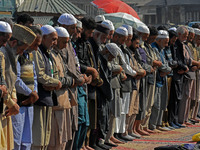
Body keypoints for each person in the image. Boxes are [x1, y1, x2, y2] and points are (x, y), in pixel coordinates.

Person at [1, 23, 36, 150]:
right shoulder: (2, 54)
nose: (22, 53)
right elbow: (2, 84)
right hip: (4, 106)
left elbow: (13, 81)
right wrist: (11, 103)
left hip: (8, 108)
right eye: (22, 50)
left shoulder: (13, 56)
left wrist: (14, 98)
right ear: (14, 43)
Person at [32, 25, 62, 150]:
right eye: (53, 39)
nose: (55, 43)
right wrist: (56, 83)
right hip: (39, 99)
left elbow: (54, 73)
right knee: (38, 137)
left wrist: (54, 84)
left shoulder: (47, 53)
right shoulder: (36, 51)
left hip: (48, 97)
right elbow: (40, 75)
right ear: (44, 38)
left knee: (45, 136)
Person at [12, 25, 41, 150]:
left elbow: (34, 77)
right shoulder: (17, 55)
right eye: (35, 44)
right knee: (16, 139)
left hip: (30, 102)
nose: (36, 48)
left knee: (27, 139)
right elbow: (16, 80)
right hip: (20, 102)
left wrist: (34, 93)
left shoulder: (30, 55)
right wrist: (30, 93)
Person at [48, 27, 73, 150]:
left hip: (64, 101)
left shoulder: (59, 54)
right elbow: (56, 79)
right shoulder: (51, 55)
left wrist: (69, 80)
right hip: (56, 102)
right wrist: (70, 81)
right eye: (64, 42)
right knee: (54, 139)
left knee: (63, 138)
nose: (66, 45)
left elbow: (67, 74)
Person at [149, 30, 172, 132]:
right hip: (156, 79)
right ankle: (153, 125)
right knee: (156, 104)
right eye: (165, 41)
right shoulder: (154, 48)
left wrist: (167, 71)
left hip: (163, 78)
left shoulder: (162, 49)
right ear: (159, 40)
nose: (167, 44)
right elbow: (160, 64)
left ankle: (158, 124)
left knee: (162, 103)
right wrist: (166, 69)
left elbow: (166, 64)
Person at [168, 26, 190, 129]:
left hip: (180, 74)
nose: (186, 38)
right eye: (184, 36)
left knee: (178, 98)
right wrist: (184, 67)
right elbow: (176, 60)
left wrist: (185, 68)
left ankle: (175, 120)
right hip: (176, 74)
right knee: (174, 99)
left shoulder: (180, 44)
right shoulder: (175, 44)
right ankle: (172, 120)